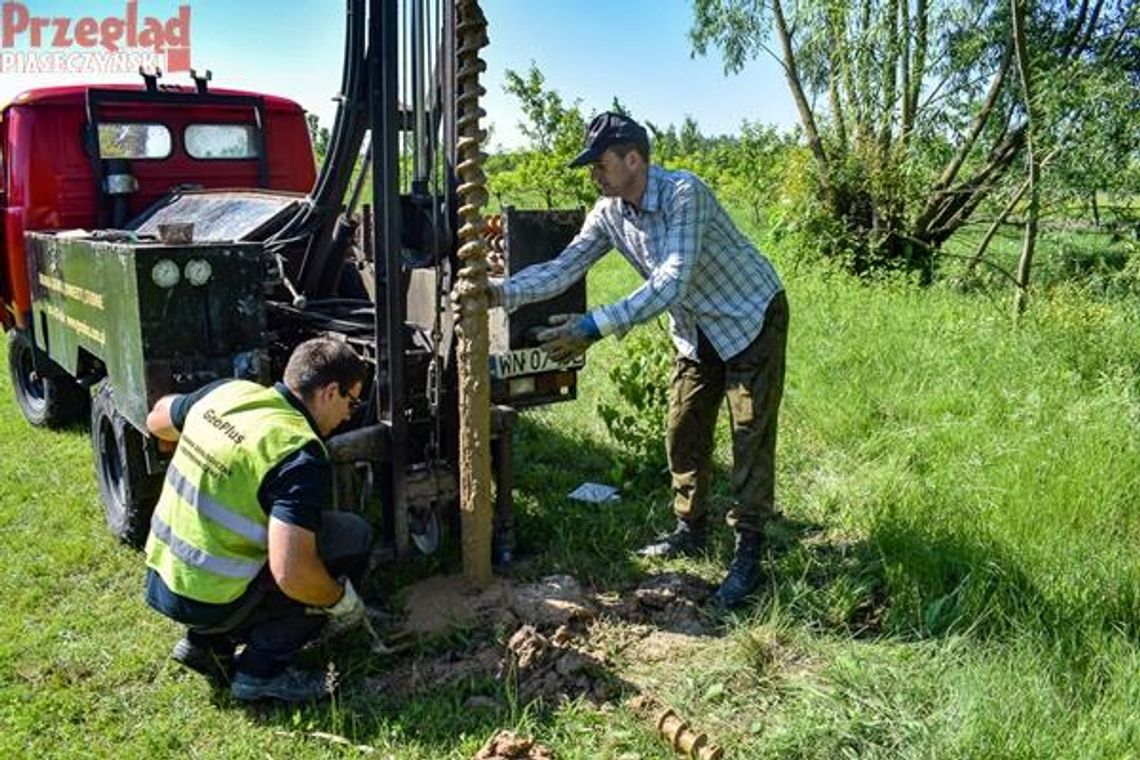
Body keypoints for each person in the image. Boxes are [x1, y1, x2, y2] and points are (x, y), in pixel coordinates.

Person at [489, 112, 788, 609]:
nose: (594, 175)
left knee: (748, 433)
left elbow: (672, 280)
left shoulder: (683, 194)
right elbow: (566, 266)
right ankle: (690, 529)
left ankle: (748, 555)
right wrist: (500, 293)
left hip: (748, 316)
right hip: (695, 330)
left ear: (633, 159)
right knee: (683, 427)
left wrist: (593, 327)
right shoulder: (609, 211)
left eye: (600, 164)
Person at [142, 336, 374, 702]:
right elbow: (293, 574)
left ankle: (207, 645)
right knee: (351, 538)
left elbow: (156, 420)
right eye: (351, 400)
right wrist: (338, 600)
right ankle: (261, 672)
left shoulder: (228, 394)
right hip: (209, 597)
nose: (349, 413)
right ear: (330, 391)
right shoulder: (298, 452)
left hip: (162, 578)